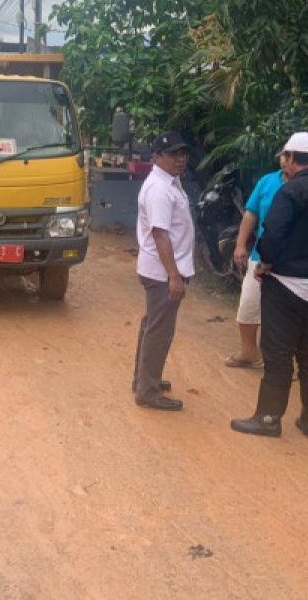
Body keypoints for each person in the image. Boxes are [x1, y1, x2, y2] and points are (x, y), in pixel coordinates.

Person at [231, 132, 308, 438]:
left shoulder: (291, 191)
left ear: (290, 158)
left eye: (283, 157)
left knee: (278, 352)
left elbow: (273, 235)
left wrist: (266, 264)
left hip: (286, 285)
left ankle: (269, 419)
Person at [132, 131, 195, 411]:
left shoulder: (169, 182)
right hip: (161, 273)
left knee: (152, 325)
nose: (180, 159)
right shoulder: (159, 188)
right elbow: (160, 234)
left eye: (183, 154)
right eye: (173, 154)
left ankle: (144, 379)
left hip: (159, 270)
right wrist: (173, 276)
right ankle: (148, 390)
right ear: (156, 157)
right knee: (159, 331)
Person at [229, 154, 287, 368]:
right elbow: (250, 214)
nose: (285, 160)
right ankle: (249, 352)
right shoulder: (267, 181)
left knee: (285, 315)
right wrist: (240, 244)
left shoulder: (304, 185)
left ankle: (283, 362)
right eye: (283, 155)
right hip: (260, 256)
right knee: (248, 305)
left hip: (291, 262)